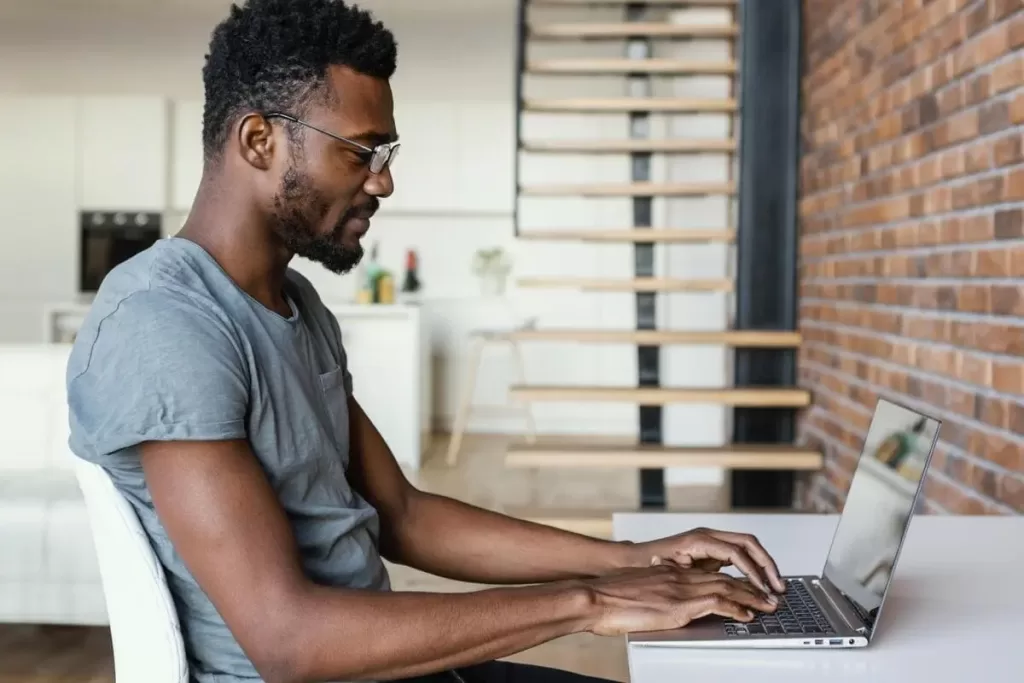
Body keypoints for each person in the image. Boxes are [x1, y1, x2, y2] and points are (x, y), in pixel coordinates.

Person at [65, 1, 784, 682]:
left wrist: (632, 559)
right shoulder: (165, 323)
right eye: (361, 152)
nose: (384, 181)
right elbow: (288, 640)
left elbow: (403, 515)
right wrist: (590, 601)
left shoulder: (296, 304)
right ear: (260, 140)